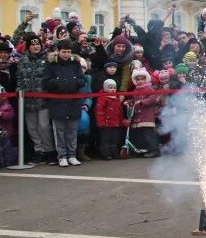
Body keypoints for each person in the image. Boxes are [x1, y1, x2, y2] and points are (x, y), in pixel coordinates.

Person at [42, 39, 87, 167]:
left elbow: (82, 80)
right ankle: (61, 156)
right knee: (59, 131)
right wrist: (58, 83)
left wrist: (74, 83)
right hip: (57, 101)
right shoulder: (51, 64)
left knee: (72, 130)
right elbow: (46, 82)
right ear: (58, 51)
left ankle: (72, 154)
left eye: (68, 52)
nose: (66, 54)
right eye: (64, 52)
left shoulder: (75, 64)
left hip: (73, 101)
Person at [17, 33, 53, 163]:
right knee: (32, 127)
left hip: (43, 99)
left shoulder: (48, 57)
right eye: (32, 45)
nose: (36, 46)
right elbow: (19, 78)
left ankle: (49, 150)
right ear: (28, 47)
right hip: (27, 100)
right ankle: (39, 150)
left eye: (37, 44)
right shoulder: (23, 60)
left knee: (43, 126)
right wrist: (20, 90)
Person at [94, 79, 125, 160]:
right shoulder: (102, 98)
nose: (113, 89)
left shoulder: (117, 98)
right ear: (106, 88)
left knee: (114, 139)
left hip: (116, 123)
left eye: (114, 87)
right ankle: (105, 154)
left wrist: (121, 122)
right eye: (110, 87)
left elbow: (120, 112)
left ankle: (114, 153)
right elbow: (99, 111)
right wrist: (100, 122)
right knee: (106, 140)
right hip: (106, 123)